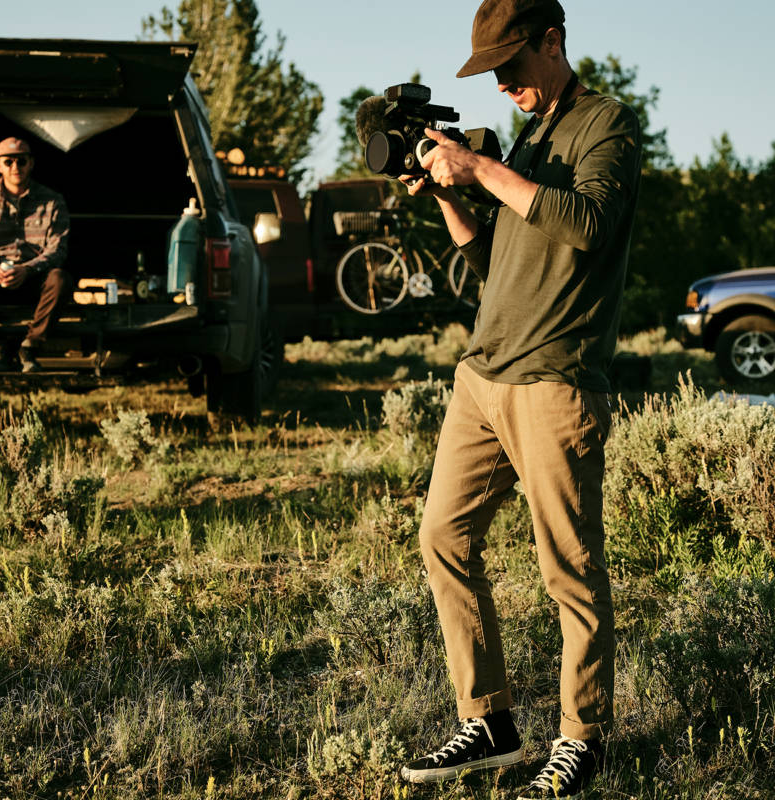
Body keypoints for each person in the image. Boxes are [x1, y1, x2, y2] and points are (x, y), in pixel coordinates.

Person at [398, 1, 642, 797]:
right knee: (443, 536)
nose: (501, 84)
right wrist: (445, 193)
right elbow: (489, 266)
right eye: (491, 72)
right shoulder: (529, 140)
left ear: (553, 41)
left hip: (555, 381)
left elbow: (588, 223)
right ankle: (490, 721)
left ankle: (582, 739)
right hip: (483, 377)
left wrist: (481, 170)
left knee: (568, 569)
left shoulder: (605, 124)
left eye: (510, 64)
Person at [0, 137, 71, 373]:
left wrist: (28, 269)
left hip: (33, 277)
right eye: (8, 162)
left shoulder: (52, 201)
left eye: (21, 161)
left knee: (60, 279)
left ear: (31, 163)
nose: (15, 167)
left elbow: (57, 249)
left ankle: (30, 346)